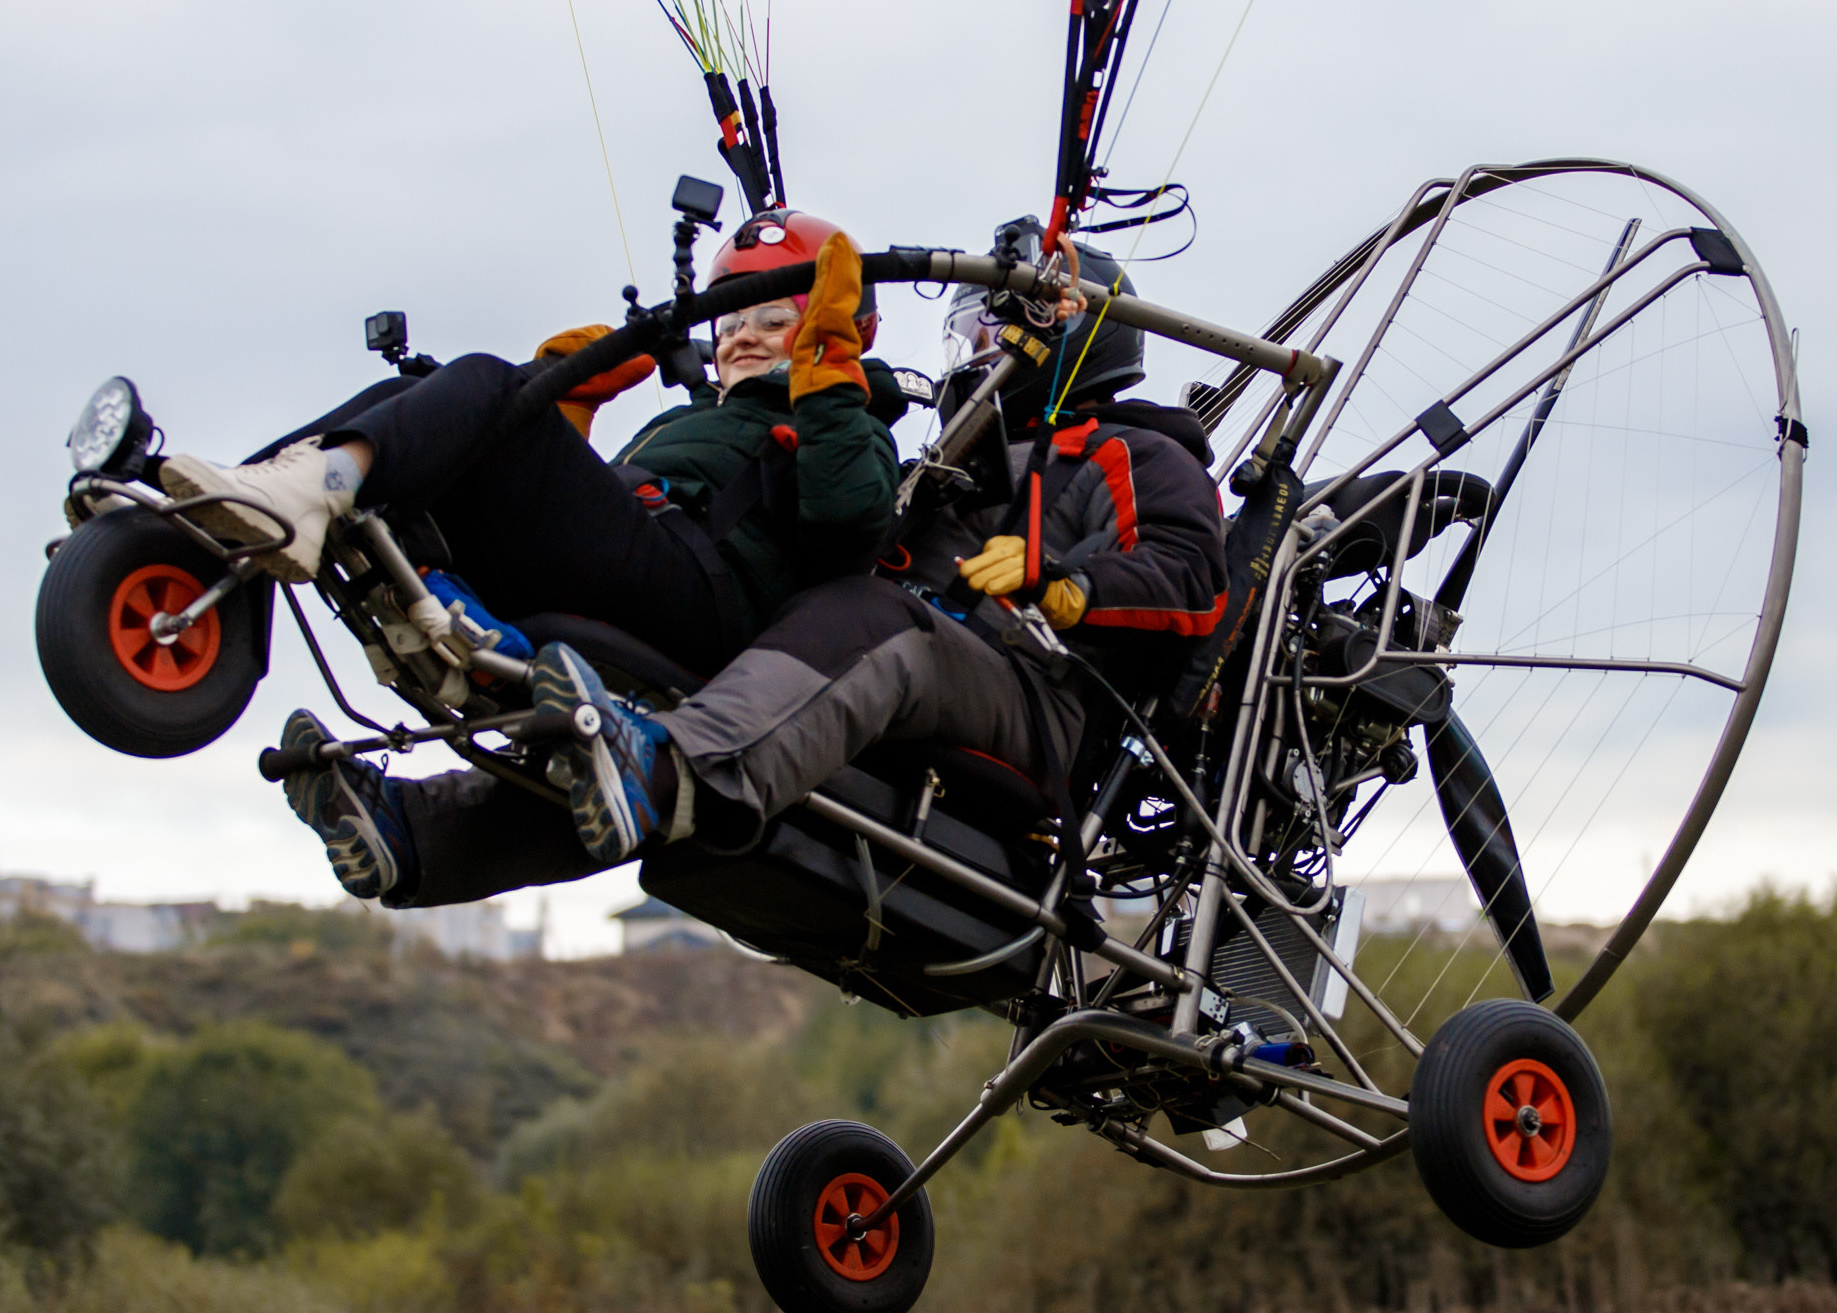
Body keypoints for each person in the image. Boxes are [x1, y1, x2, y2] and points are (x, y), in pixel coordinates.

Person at [316, 234, 1228, 900]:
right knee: (680, 698)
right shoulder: (956, 467)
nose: (979, 352)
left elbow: (1191, 577)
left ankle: (682, 776)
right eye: (973, 334)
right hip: (870, 686)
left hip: (1030, 696)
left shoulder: (1132, 451)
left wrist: (1064, 585)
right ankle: (421, 836)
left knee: (865, 624)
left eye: (997, 334)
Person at [156, 212, 905, 897]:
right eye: (730, 319)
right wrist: (564, 412)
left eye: (773, 318)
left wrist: (829, 382)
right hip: (632, 571)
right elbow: (570, 516)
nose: (740, 335)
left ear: (836, 331)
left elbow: (848, 525)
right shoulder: (694, 421)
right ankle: (216, 527)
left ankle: (289, 500)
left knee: (487, 386)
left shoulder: (853, 423)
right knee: (422, 407)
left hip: (704, 603)